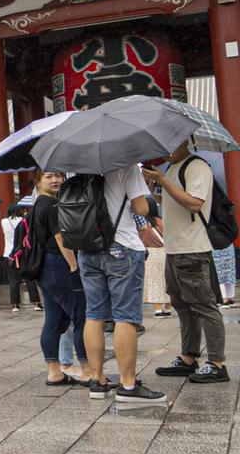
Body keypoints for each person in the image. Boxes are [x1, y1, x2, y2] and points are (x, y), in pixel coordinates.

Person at [76, 164, 160, 402]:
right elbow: (141, 208)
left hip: (88, 247)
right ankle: (128, 385)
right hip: (121, 246)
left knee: (94, 315)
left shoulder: (76, 167)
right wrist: (146, 188)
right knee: (125, 317)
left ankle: (97, 380)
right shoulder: (125, 164)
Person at [147, 143, 229, 384]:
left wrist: (165, 180)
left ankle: (216, 363)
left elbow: (195, 203)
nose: (166, 146)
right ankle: (188, 357)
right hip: (173, 247)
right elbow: (170, 202)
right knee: (182, 304)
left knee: (203, 304)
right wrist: (156, 188)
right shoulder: (173, 167)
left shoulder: (197, 166)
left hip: (192, 248)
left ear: (186, 140)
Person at [29, 171, 91, 386]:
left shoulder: (37, 204)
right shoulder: (53, 206)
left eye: (58, 176)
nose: (55, 180)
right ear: (38, 181)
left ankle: (54, 372)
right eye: (48, 177)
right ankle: (87, 370)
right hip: (59, 264)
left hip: (44, 267)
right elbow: (60, 236)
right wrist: (74, 264)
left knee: (53, 320)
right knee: (80, 316)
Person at [2, 205, 41, 312]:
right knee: (30, 279)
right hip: (24, 254)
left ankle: (15, 305)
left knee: (13, 280)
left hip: (9, 254)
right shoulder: (24, 221)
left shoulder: (4, 221)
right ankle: (36, 304)